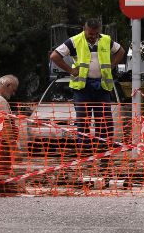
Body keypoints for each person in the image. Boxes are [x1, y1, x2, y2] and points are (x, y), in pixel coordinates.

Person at [50, 19, 126, 153]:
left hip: (102, 87)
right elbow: (54, 56)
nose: (93, 36)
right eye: (90, 33)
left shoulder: (106, 40)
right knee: (83, 120)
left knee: (104, 120)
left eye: (96, 34)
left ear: (99, 31)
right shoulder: (74, 41)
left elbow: (121, 51)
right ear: (84, 29)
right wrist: (70, 70)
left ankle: (104, 149)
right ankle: (85, 150)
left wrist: (112, 65)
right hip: (82, 89)